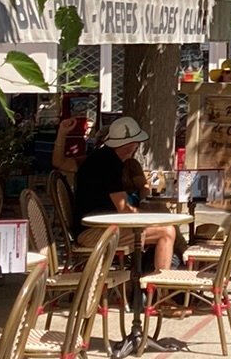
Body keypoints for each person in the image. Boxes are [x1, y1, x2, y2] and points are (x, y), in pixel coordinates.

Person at [72, 115, 177, 273]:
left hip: (97, 227)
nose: (135, 147)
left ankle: (150, 283)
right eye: (134, 143)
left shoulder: (102, 158)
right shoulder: (109, 165)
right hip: (94, 232)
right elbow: (124, 211)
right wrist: (152, 217)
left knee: (163, 225)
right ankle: (160, 292)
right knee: (167, 231)